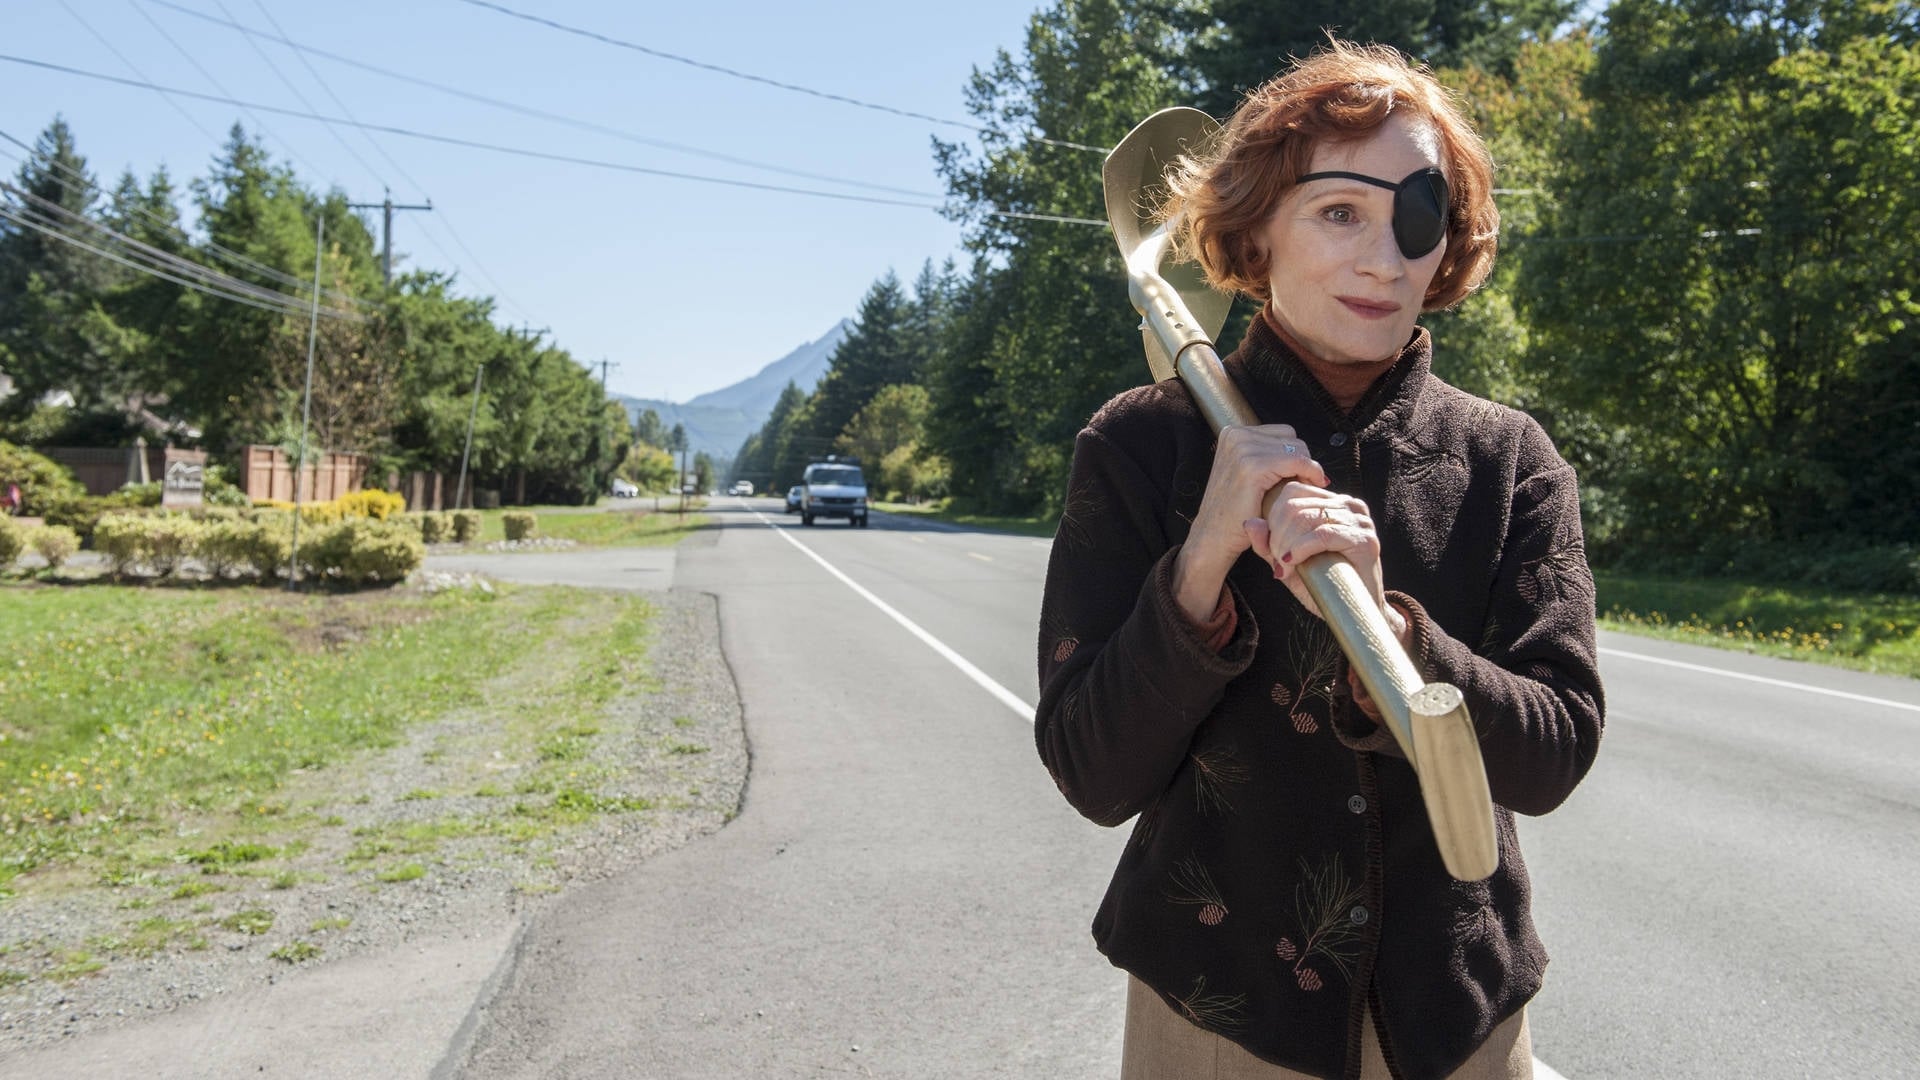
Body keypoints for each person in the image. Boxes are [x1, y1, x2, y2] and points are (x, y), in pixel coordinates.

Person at [1034, 40, 1604, 1080]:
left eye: (1419, 217)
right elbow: (1091, 771)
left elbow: (1556, 752)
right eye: (1340, 211)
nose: (1384, 260)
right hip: (1217, 1018)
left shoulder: (1508, 460)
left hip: (1459, 1023)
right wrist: (1200, 566)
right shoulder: (1141, 444)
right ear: (1257, 229)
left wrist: (1402, 641)